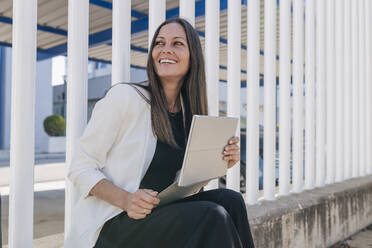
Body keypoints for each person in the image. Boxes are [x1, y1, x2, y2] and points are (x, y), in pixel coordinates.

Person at [64, 17, 255, 248]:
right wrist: (126, 199)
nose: (166, 49)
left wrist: (221, 162)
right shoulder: (125, 98)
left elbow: (182, 183)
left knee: (231, 200)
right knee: (212, 215)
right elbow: (80, 167)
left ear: (192, 56)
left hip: (160, 214)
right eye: (159, 43)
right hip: (117, 223)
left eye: (177, 43)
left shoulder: (188, 114)